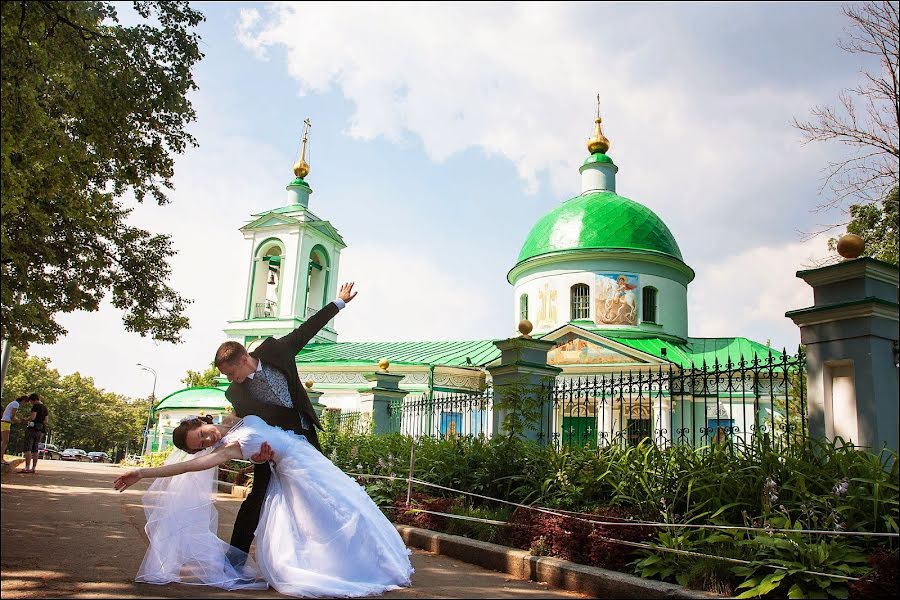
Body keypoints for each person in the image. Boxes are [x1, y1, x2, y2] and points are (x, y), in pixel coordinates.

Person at [113, 414, 413, 596]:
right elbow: (188, 468)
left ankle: (371, 560)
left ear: (203, 421)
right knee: (322, 520)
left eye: (203, 434)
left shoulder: (233, 420)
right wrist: (142, 472)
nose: (208, 439)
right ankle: (344, 568)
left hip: (309, 459)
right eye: (201, 444)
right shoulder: (228, 448)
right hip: (295, 472)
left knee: (349, 509)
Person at [214, 281, 357, 561]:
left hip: (304, 435)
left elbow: (307, 329)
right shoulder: (236, 393)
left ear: (244, 359)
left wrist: (339, 302)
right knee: (258, 496)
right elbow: (245, 424)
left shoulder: (277, 351)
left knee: (323, 491)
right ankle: (235, 557)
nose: (231, 380)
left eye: (231, 373)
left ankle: (334, 554)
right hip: (273, 445)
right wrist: (255, 453)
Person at [21, 393, 49, 473]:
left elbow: (32, 417)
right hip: (39, 430)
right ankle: (33, 468)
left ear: (34, 400)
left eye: (31, 401)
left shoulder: (36, 406)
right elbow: (46, 421)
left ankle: (27, 467)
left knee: (28, 448)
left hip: (32, 428)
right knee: (35, 449)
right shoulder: (45, 408)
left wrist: (25, 419)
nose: (31, 403)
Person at [1, 395, 26, 464]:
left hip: (5, 422)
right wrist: (20, 421)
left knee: (4, 441)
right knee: (5, 441)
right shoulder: (16, 404)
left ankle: (1, 457)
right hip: (6, 422)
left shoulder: (14, 403)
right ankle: (1, 458)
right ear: (23, 401)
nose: (24, 405)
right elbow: (13, 416)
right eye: (25, 403)